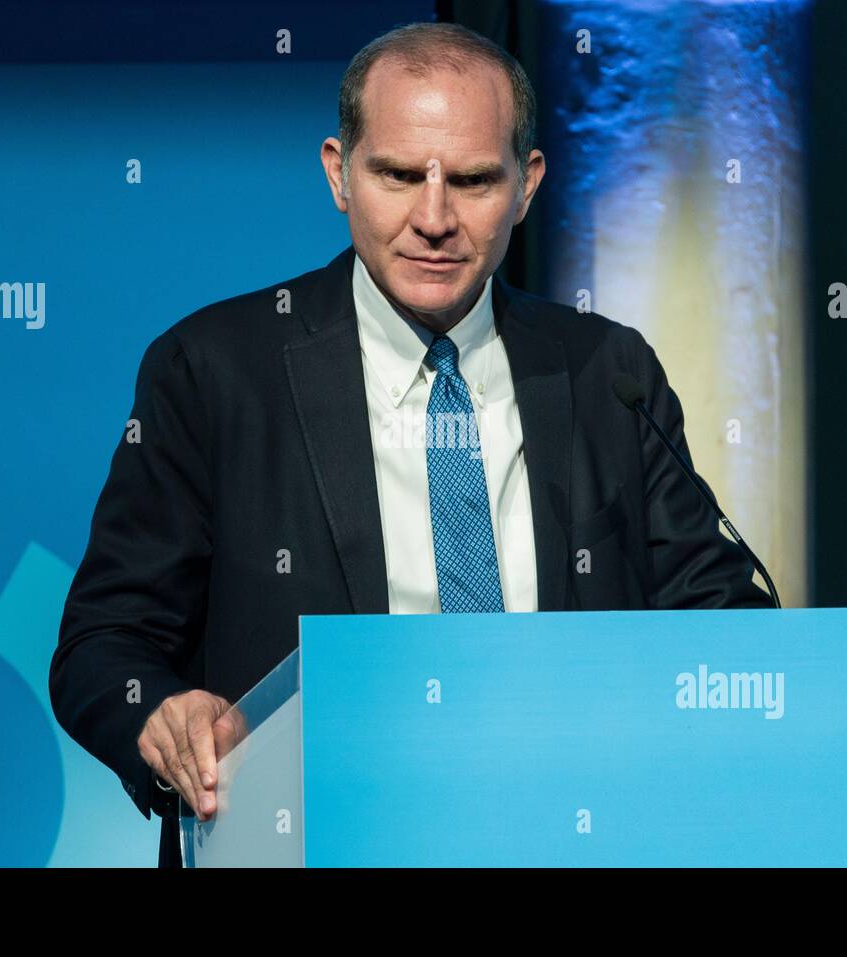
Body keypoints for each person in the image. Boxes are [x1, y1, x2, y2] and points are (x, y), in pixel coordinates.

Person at [49, 21, 771, 868]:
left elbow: (723, 627)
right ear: (338, 173)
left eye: (471, 180)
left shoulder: (607, 372)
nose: (434, 218)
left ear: (527, 184)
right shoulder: (213, 372)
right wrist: (160, 714)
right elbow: (103, 646)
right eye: (397, 174)